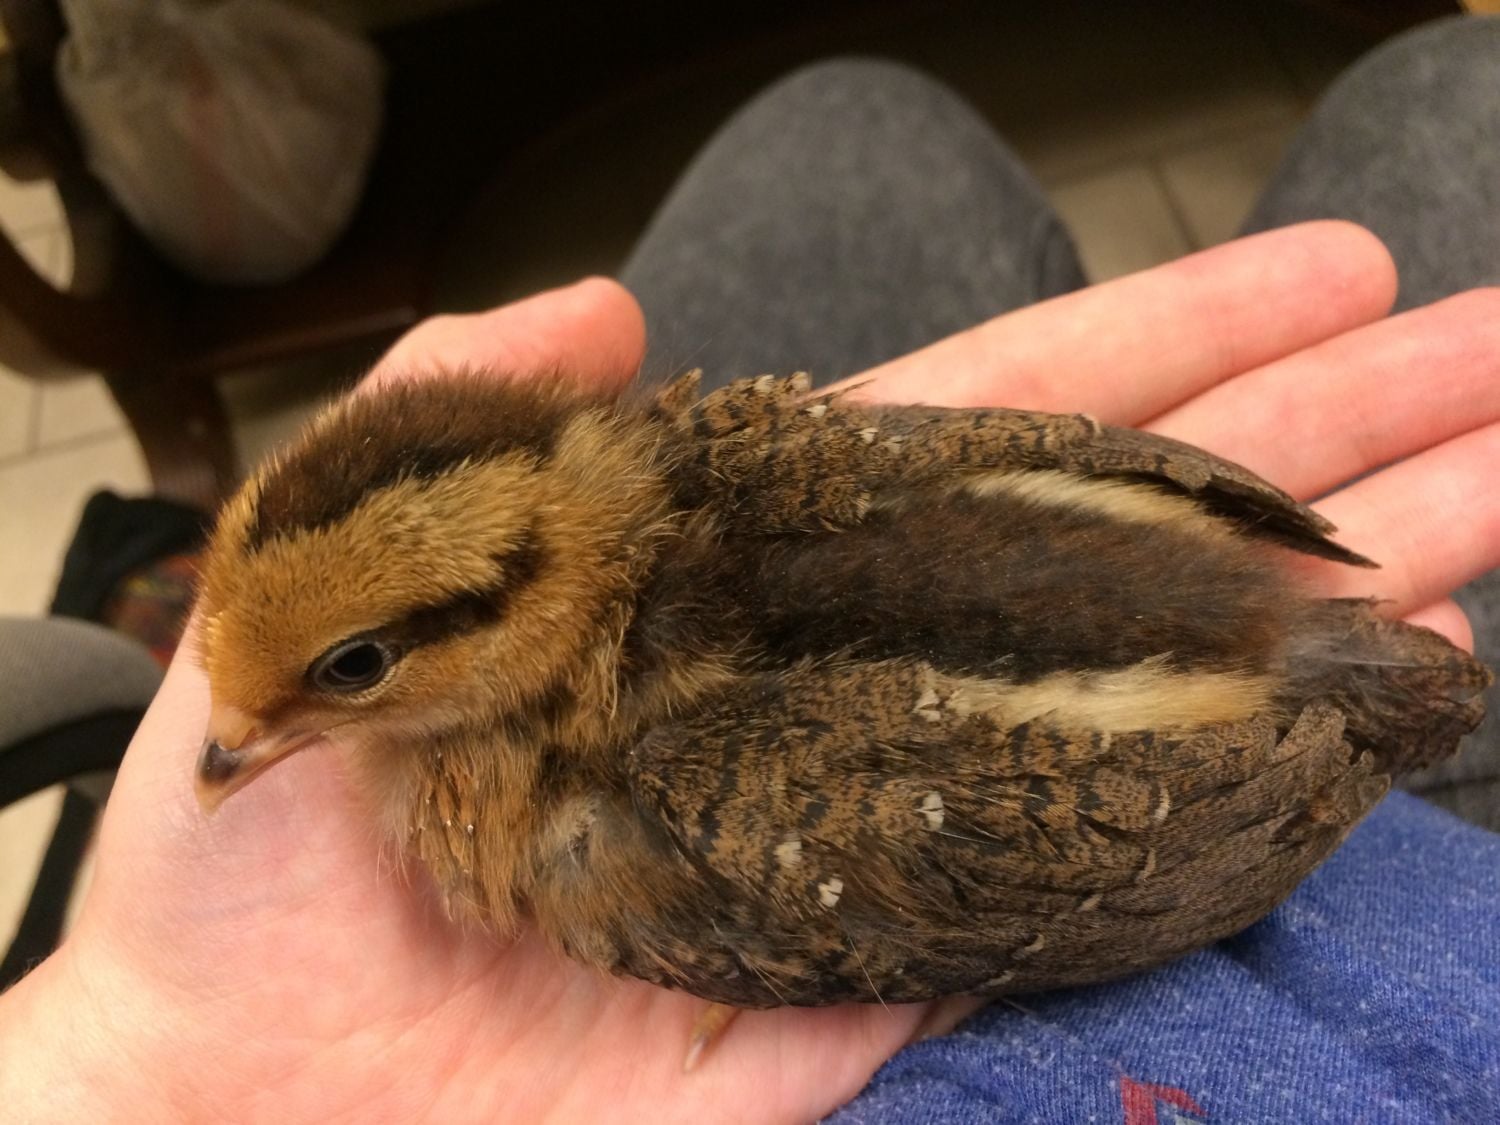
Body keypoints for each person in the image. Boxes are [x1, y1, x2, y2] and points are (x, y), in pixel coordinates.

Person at [2, 15, 1498, 1123]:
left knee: (845, 124)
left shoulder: (614, 860)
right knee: (867, 118)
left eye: (349, 670)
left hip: (1221, 772)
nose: (226, 746)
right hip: (1214, 714)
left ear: (511, 610)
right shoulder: (710, 453)